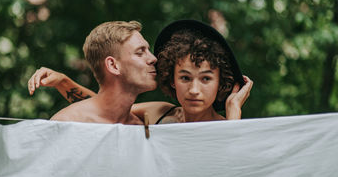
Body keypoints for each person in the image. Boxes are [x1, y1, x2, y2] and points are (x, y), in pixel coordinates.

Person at [28, 20, 253, 124]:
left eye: (206, 78)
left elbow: (231, 170)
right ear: (173, 80)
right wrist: (64, 83)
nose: (194, 90)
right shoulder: (158, 116)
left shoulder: (228, 127)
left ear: (219, 83)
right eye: (185, 77)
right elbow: (106, 110)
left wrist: (232, 113)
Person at [30, 21, 158, 124]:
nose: (153, 59)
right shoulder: (68, 123)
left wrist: (64, 81)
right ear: (113, 65)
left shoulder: (142, 127)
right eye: (140, 52)